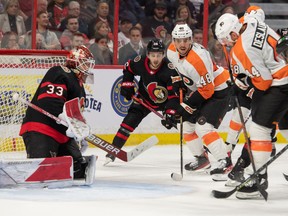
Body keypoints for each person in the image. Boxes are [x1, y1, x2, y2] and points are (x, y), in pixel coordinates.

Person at [214, 12, 288, 199]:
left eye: (226, 40)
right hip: (285, 70)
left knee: (258, 130)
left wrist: (245, 80)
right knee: (286, 125)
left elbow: (264, 82)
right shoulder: (250, 20)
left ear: (233, 34)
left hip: (280, 83)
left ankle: (259, 179)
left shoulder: (242, 49)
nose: (226, 44)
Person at [19, 45, 96, 183]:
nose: (88, 68)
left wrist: (80, 133)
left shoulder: (79, 85)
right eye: (85, 63)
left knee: (78, 170)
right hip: (42, 128)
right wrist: (65, 119)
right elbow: (50, 102)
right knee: (43, 175)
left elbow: (75, 113)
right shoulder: (60, 72)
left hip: (62, 133)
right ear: (75, 61)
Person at [166, 23, 232, 177]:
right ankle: (202, 158)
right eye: (178, 40)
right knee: (187, 125)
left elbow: (208, 90)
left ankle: (225, 161)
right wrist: (178, 82)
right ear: (173, 40)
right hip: (202, 89)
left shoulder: (198, 60)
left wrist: (186, 106)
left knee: (203, 126)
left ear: (191, 40)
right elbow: (175, 69)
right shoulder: (170, 50)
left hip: (219, 89)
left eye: (186, 40)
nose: (182, 44)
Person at [105, 39, 179, 165]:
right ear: (148, 54)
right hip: (143, 99)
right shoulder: (140, 62)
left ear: (164, 55)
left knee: (185, 125)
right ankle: (113, 151)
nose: (156, 59)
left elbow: (173, 96)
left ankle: (201, 153)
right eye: (153, 55)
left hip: (165, 103)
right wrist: (127, 85)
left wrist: (170, 112)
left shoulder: (169, 70)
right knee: (127, 124)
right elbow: (128, 68)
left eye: (159, 55)